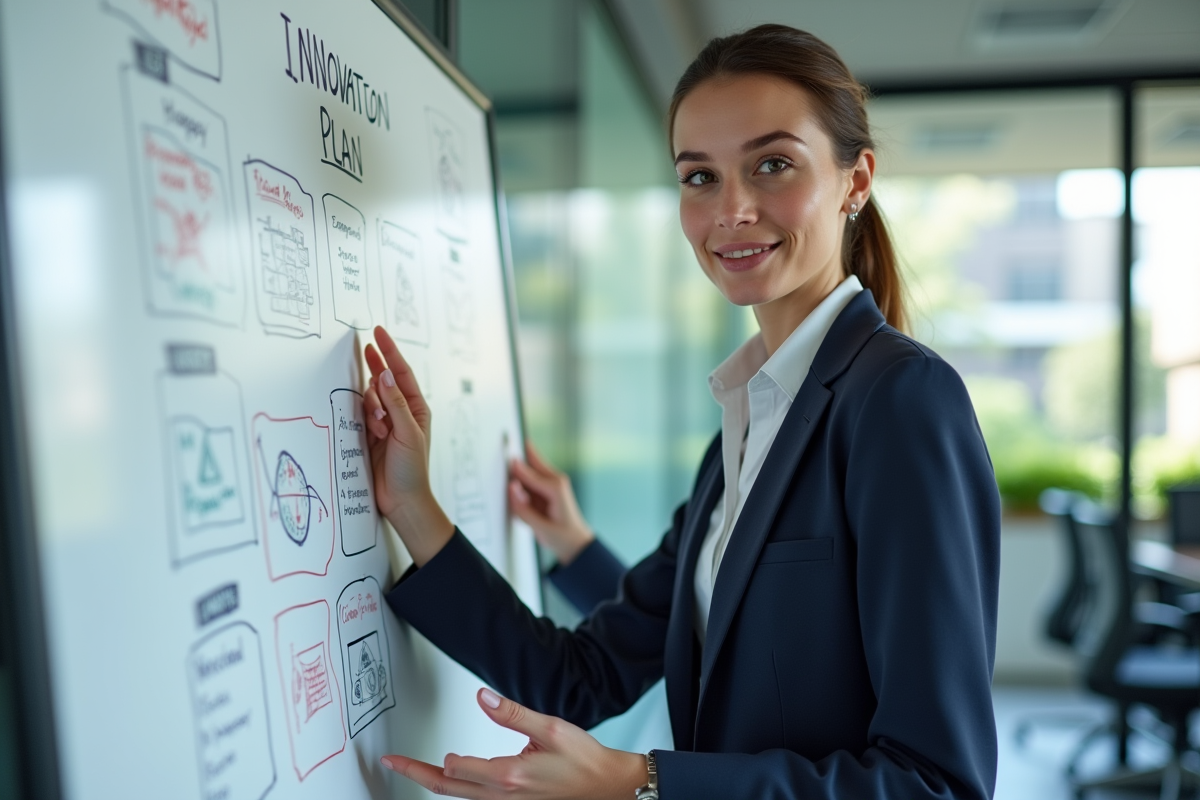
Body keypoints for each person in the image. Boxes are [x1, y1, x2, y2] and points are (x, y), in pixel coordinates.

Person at [363, 23, 1000, 800]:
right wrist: (413, 506)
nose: (731, 210)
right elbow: (581, 677)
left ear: (855, 181)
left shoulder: (900, 402)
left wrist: (645, 781)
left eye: (773, 165)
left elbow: (935, 782)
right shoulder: (745, 424)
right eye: (699, 177)